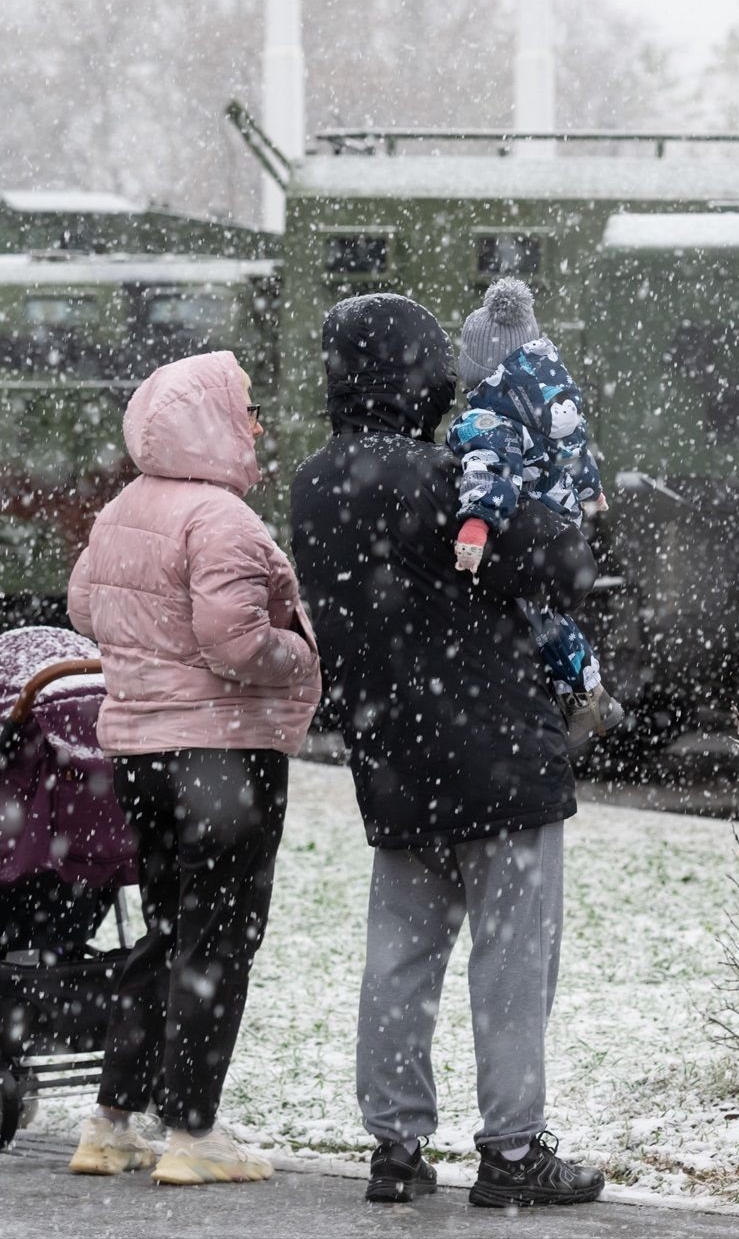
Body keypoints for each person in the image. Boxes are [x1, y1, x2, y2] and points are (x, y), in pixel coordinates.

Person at [289, 293, 606, 1208]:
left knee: (399, 959)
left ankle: (395, 1147)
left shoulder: (315, 483)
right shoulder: (443, 480)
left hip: (393, 756)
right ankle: (511, 1153)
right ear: (416, 374)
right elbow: (560, 559)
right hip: (498, 755)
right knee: (511, 963)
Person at [64, 350, 320, 1186]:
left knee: (169, 933)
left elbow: (83, 606)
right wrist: (302, 651)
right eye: (243, 409)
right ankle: (193, 1132)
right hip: (223, 757)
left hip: (137, 749)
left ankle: (110, 1120)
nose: (254, 424)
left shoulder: (120, 512)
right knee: (219, 938)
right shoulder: (224, 522)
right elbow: (236, 642)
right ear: (206, 422)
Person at [448, 278, 626, 747]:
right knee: (546, 614)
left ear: (479, 369)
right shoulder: (553, 407)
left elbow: (489, 472)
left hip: (520, 533)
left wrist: (475, 523)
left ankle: (587, 696)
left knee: (535, 616)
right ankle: (588, 694)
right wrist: (591, 493)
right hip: (560, 524)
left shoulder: (487, 420)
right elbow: (575, 453)